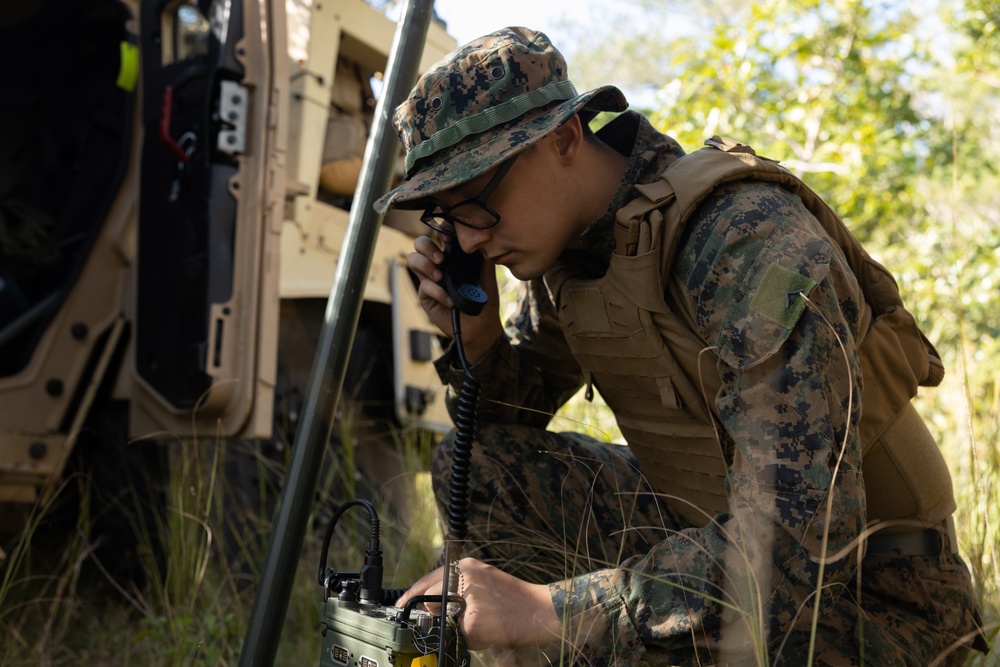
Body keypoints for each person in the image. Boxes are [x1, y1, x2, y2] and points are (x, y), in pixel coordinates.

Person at [373, 27, 988, 666]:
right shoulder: (567, 253)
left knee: (648, 629)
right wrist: (478, 344)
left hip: (868, 589)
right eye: (445, 217)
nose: (467, 242)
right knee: (483, 469)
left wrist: (547, 610)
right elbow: (503, 433)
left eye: (476, 201)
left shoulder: (743, 239)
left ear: (562, 139)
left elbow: (797, 539)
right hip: (707, 525)